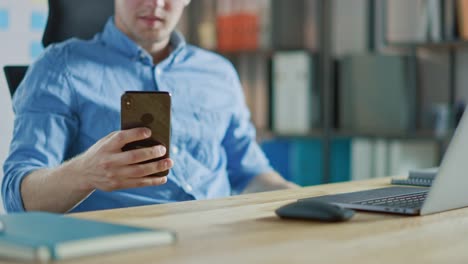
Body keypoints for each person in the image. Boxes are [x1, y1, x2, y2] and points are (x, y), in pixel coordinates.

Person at [2, 0, 298, 214]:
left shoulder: (218, 72)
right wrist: (86, 173)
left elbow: (250, 173)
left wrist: (307, 201)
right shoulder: (60, 67)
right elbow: (18, 197)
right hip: (122, 247)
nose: (155, 3)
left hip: (218, 239)